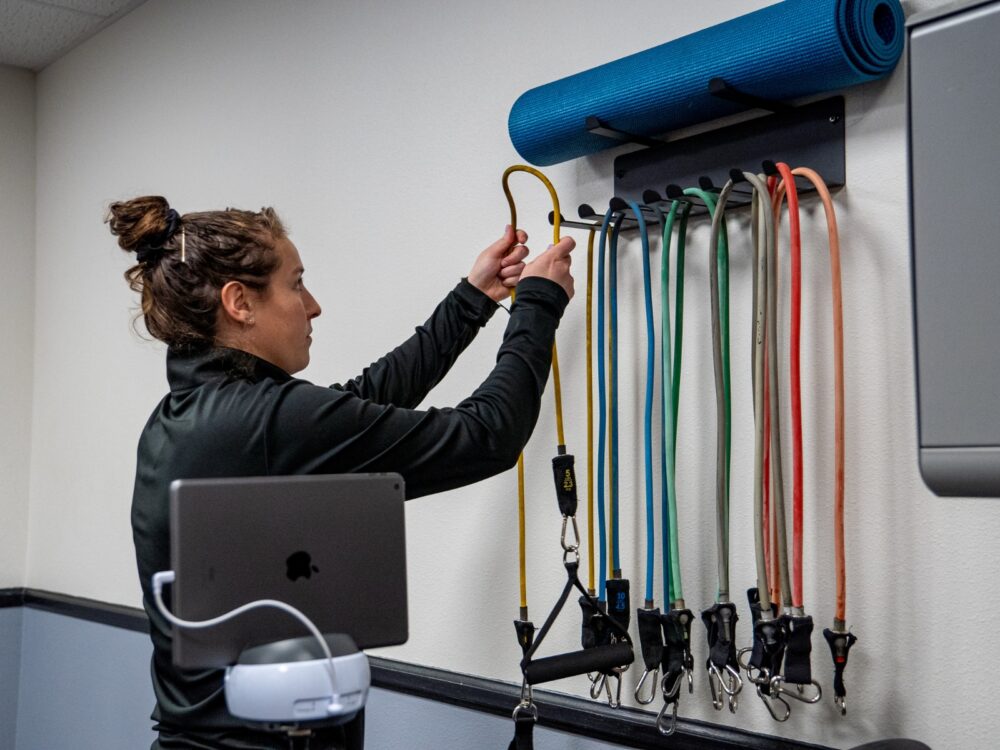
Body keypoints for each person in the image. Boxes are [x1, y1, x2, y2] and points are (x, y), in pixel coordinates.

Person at [106, 195, 575, 750]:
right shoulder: (268, 422)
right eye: (296, 283)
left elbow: (356, 405)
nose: (313, 305)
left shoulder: (193, 415)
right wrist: (538, 303)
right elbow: (487, 436)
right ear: (240, 303)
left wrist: (471, 300)